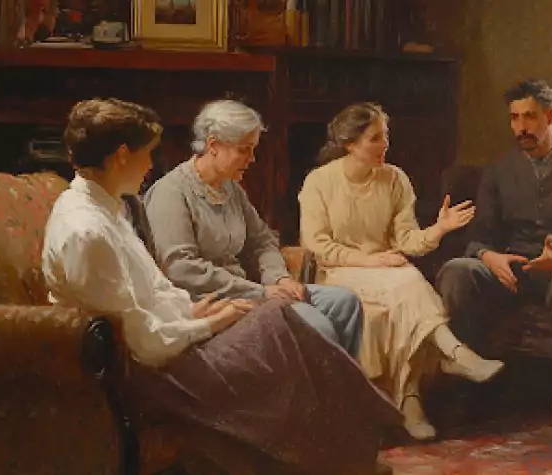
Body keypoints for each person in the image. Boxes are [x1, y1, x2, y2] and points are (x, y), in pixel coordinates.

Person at [42, 98, 401, 475]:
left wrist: (194, 310)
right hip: (156, 374)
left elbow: (153, 293)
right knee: (285, 324)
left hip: (177, 331)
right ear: (120, 157)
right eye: (146, 155)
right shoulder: (89, 231)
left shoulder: (110, 209)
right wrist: (207, 323)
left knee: (291, 314)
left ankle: (342, 443)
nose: (150, 165)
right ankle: (340, 449)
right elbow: (142, 343)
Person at [298, 102, 505, 441]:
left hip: (386, 271)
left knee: (403, 284)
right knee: (406, 279)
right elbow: (317, 244)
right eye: (375, 139)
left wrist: (439, 228)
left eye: (386, 136)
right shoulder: (319, 183)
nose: (385, 145)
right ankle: (451, 354)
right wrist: (369, 260)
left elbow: (407, 240)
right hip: (338, 273)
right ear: (350, 144)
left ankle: (411, 400)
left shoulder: (395, 179)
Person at [437, 79, 552, 443]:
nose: (521, 127)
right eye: (515, 118)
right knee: (458, 271)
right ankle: (474, 385)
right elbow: (478, 237)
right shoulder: (499, 172)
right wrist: (489, 256)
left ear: (550, 116)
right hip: (513, 269)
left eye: (530, 117)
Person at [144, 99, 364, 358]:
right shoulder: (171, 193)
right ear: (213, 146)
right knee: (315, 325)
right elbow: (181, 267)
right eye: (244, 150)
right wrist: (260, 291)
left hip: (254, 290)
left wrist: (278, 277)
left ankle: (334, 394)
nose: (252, 159)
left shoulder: (230, 188)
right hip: (209, 303)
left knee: (345, 303)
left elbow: (262, 240)